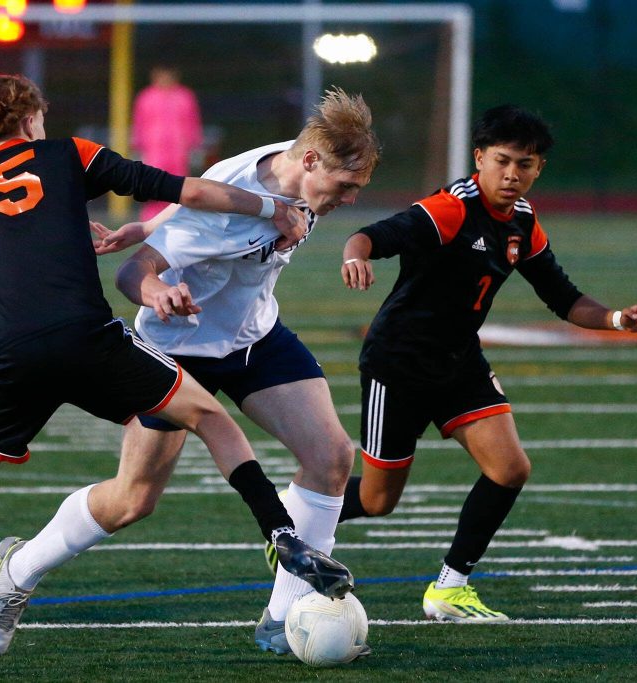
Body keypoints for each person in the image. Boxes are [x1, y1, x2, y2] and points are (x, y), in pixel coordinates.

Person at [0, 73, 352, 674]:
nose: (350, 193)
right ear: (29, 120)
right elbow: (181, 194)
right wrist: (268, 209)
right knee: (148, 483)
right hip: (110, 339)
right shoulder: (68, 153)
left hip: (20, 353)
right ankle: (22, 568)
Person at [335, 104, 637, 622]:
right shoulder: (450, 208)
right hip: (399, 365)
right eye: (503, 161)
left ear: (538, 169)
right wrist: (354, 256)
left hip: (460, 362)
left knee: (509, 469)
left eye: (525, 165)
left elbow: (564, 298)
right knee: (377, 501)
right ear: (479, 157)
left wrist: (619, 319)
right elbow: (373, 236)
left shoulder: (523, 222)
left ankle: (450, 588)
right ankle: (295, 521)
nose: (512, 175)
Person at [93, 87, 380, 656]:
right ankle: (22, 564)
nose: (350, 199)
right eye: (345, 186)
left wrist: (150, 224)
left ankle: (284, 618)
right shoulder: (244, 192)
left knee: (331, 457)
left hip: (255, 337)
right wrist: (157, 289)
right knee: (132, 501)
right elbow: (133, 274)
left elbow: (195, 198)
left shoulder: (292, 163)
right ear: (312, 162)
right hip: (180, 349)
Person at [130, 65, 203, 220]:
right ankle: (150, 220)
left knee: (178, 184)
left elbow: (192, 121)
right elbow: (139, 122)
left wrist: (194, 144)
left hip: (178, 149)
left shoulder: (184, 96)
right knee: (153, 182)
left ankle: (177, 218)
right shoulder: (146, 96)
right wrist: (138, 144)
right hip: (154, 149)